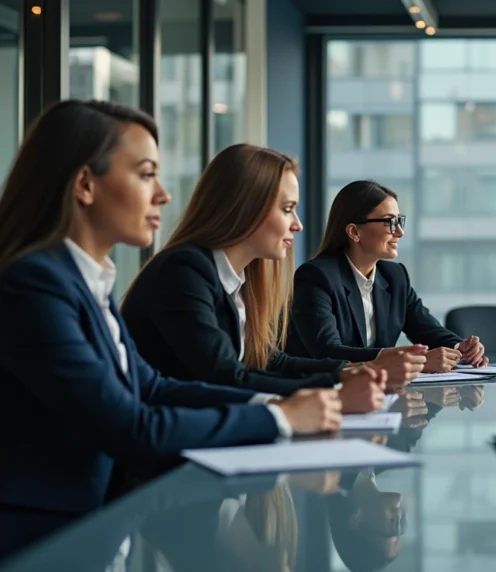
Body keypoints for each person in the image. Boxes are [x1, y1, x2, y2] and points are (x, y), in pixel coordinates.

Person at [0, 100, 348, 534]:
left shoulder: (86, 281)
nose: (163, 194)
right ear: (85, 185)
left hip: (101, 521)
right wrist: (281, 418)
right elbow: (131, 426)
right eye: (146, 175)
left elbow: (152, 386)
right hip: (45, 540)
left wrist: (281, 405)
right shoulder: (35, 285)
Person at [120, 144, 406, 401]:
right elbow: (225, 377)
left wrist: (354, 371)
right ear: (246, 208)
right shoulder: (184, 271)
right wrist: (337, 384)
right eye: (287, 209)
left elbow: (271, 361)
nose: (297, 225)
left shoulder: (239, 279)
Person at [286, 180, 487, 373]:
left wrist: (461, 348)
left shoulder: (395, 276)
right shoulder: (316, 277)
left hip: (377, 394)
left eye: (399, 221)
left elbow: (428, 330)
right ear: (354, 231)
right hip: (321, 394)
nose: (399, 232)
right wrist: (411, 361)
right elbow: (328, 352)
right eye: (390, 222)